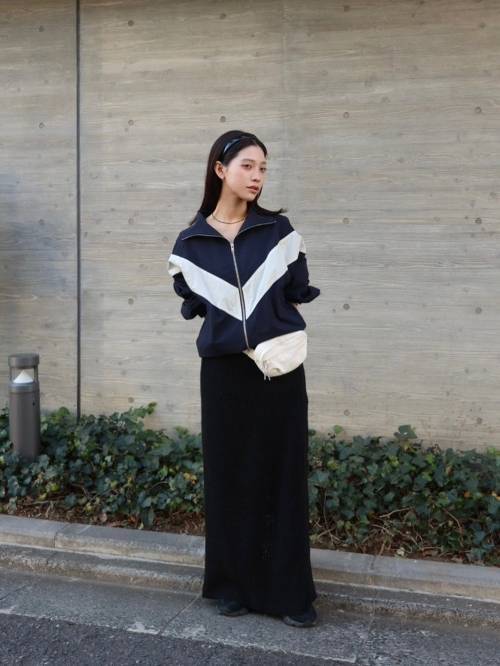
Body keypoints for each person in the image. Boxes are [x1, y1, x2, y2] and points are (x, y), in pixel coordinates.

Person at [167, 130, 321, 627]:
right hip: (225, 375)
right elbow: (196, 306)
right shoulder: (190, 244)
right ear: (221, 170)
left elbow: (297, 289)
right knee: (229, 476)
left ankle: (290, 594)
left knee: (283, 476)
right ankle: (232, 585)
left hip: (278, 372)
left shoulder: (279, 232)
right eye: (248, 166)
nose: (257, 177)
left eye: (263, 168)